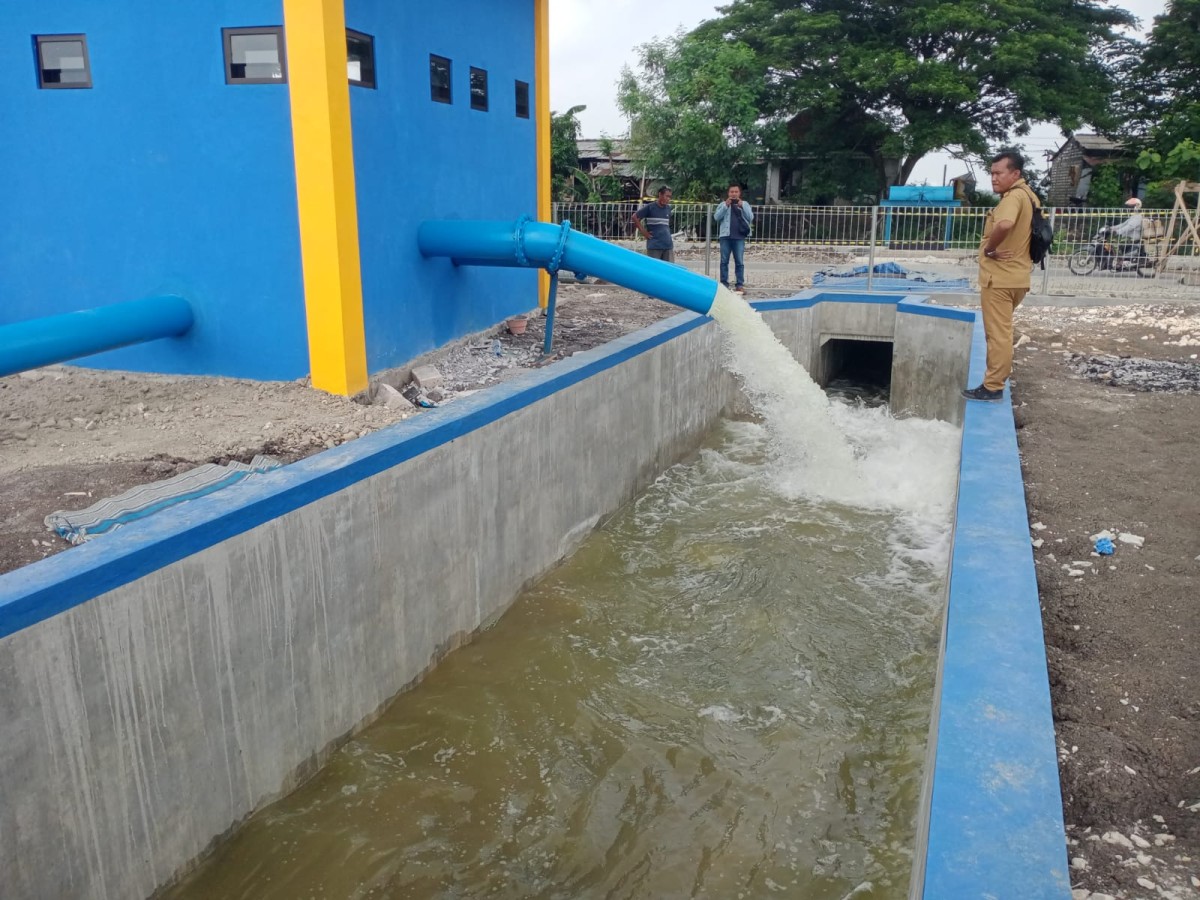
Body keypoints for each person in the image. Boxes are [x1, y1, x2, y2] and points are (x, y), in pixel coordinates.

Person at [962, 150, 1040, 402]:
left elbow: (1004, 224)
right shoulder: (1029, 195)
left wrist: (989, 248)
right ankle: (995, 380)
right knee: (1001, 332)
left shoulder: (1013, 197)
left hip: (1000, 280)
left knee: (997, 335)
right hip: (1016, 278)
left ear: (1015, 173)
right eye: (992, 173)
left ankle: (993, 386)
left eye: (999, 173)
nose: (993, 178)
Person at [713, 184, 754, 292]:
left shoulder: (744, 204)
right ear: (728, 193)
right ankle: (724, 284)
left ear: (739, 193)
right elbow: (716, 217)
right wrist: (726, 206)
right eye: (732, 192)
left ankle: (739, 285)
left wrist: (742, 207)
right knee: (724, 261)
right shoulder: (723, 204)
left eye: (736, 192)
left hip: (739, 237)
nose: (734, 194)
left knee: (739, 262)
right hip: (725, 236)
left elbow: (750, 217)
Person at [631, 186, 674, 262]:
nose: (668, 199)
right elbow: (635, 217)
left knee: (668, 270)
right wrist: (644, 232)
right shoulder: (650, 207)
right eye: (666, 196)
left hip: (668, 245)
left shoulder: (668, 208)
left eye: (670, 197)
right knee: (655, 269)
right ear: (660, 194)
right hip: (655, 245)